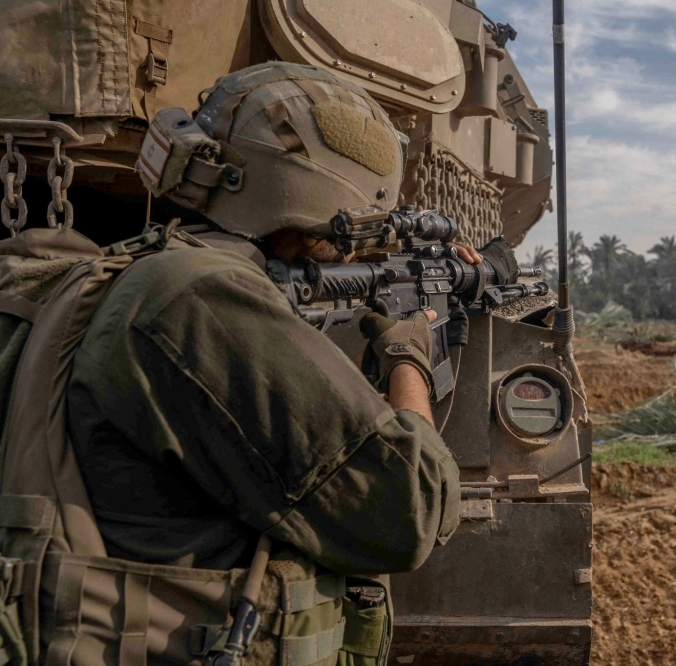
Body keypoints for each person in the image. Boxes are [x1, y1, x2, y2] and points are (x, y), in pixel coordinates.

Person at [56, 61, 470, 663]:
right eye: (354, 230)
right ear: (321, 215)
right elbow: (414, 508)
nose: (356, 248)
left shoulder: (149, 267)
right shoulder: (204, 301)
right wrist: (410, 356)